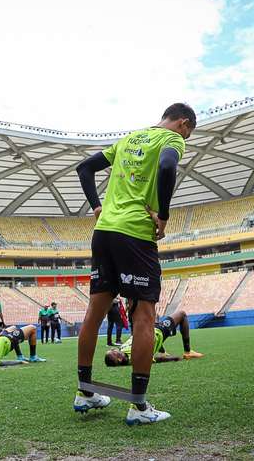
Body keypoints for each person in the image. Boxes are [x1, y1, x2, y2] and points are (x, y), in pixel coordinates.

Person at [74, 102, 195, 425]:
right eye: (188, 132)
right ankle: (138, 406)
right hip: (135, 234)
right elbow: (168, 167)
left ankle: (85, 391)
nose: (186, 137)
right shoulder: (172, 140)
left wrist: (98, 207)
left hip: (104, 233)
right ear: (183, 124)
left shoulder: (130, 138)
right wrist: (164, 216)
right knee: (144, 314)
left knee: (94, 311)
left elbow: (84, 168)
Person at [104, 311, 204, 367]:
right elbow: (157, 359)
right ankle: (188, 351)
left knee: (153, 313)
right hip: (158, 331)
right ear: (119, 359)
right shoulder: (135, 358)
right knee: (182, 314)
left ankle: (163, 350)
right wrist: (174, 358)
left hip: (150, 330)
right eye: (113, 352)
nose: (113, 349)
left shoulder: (123, 352)